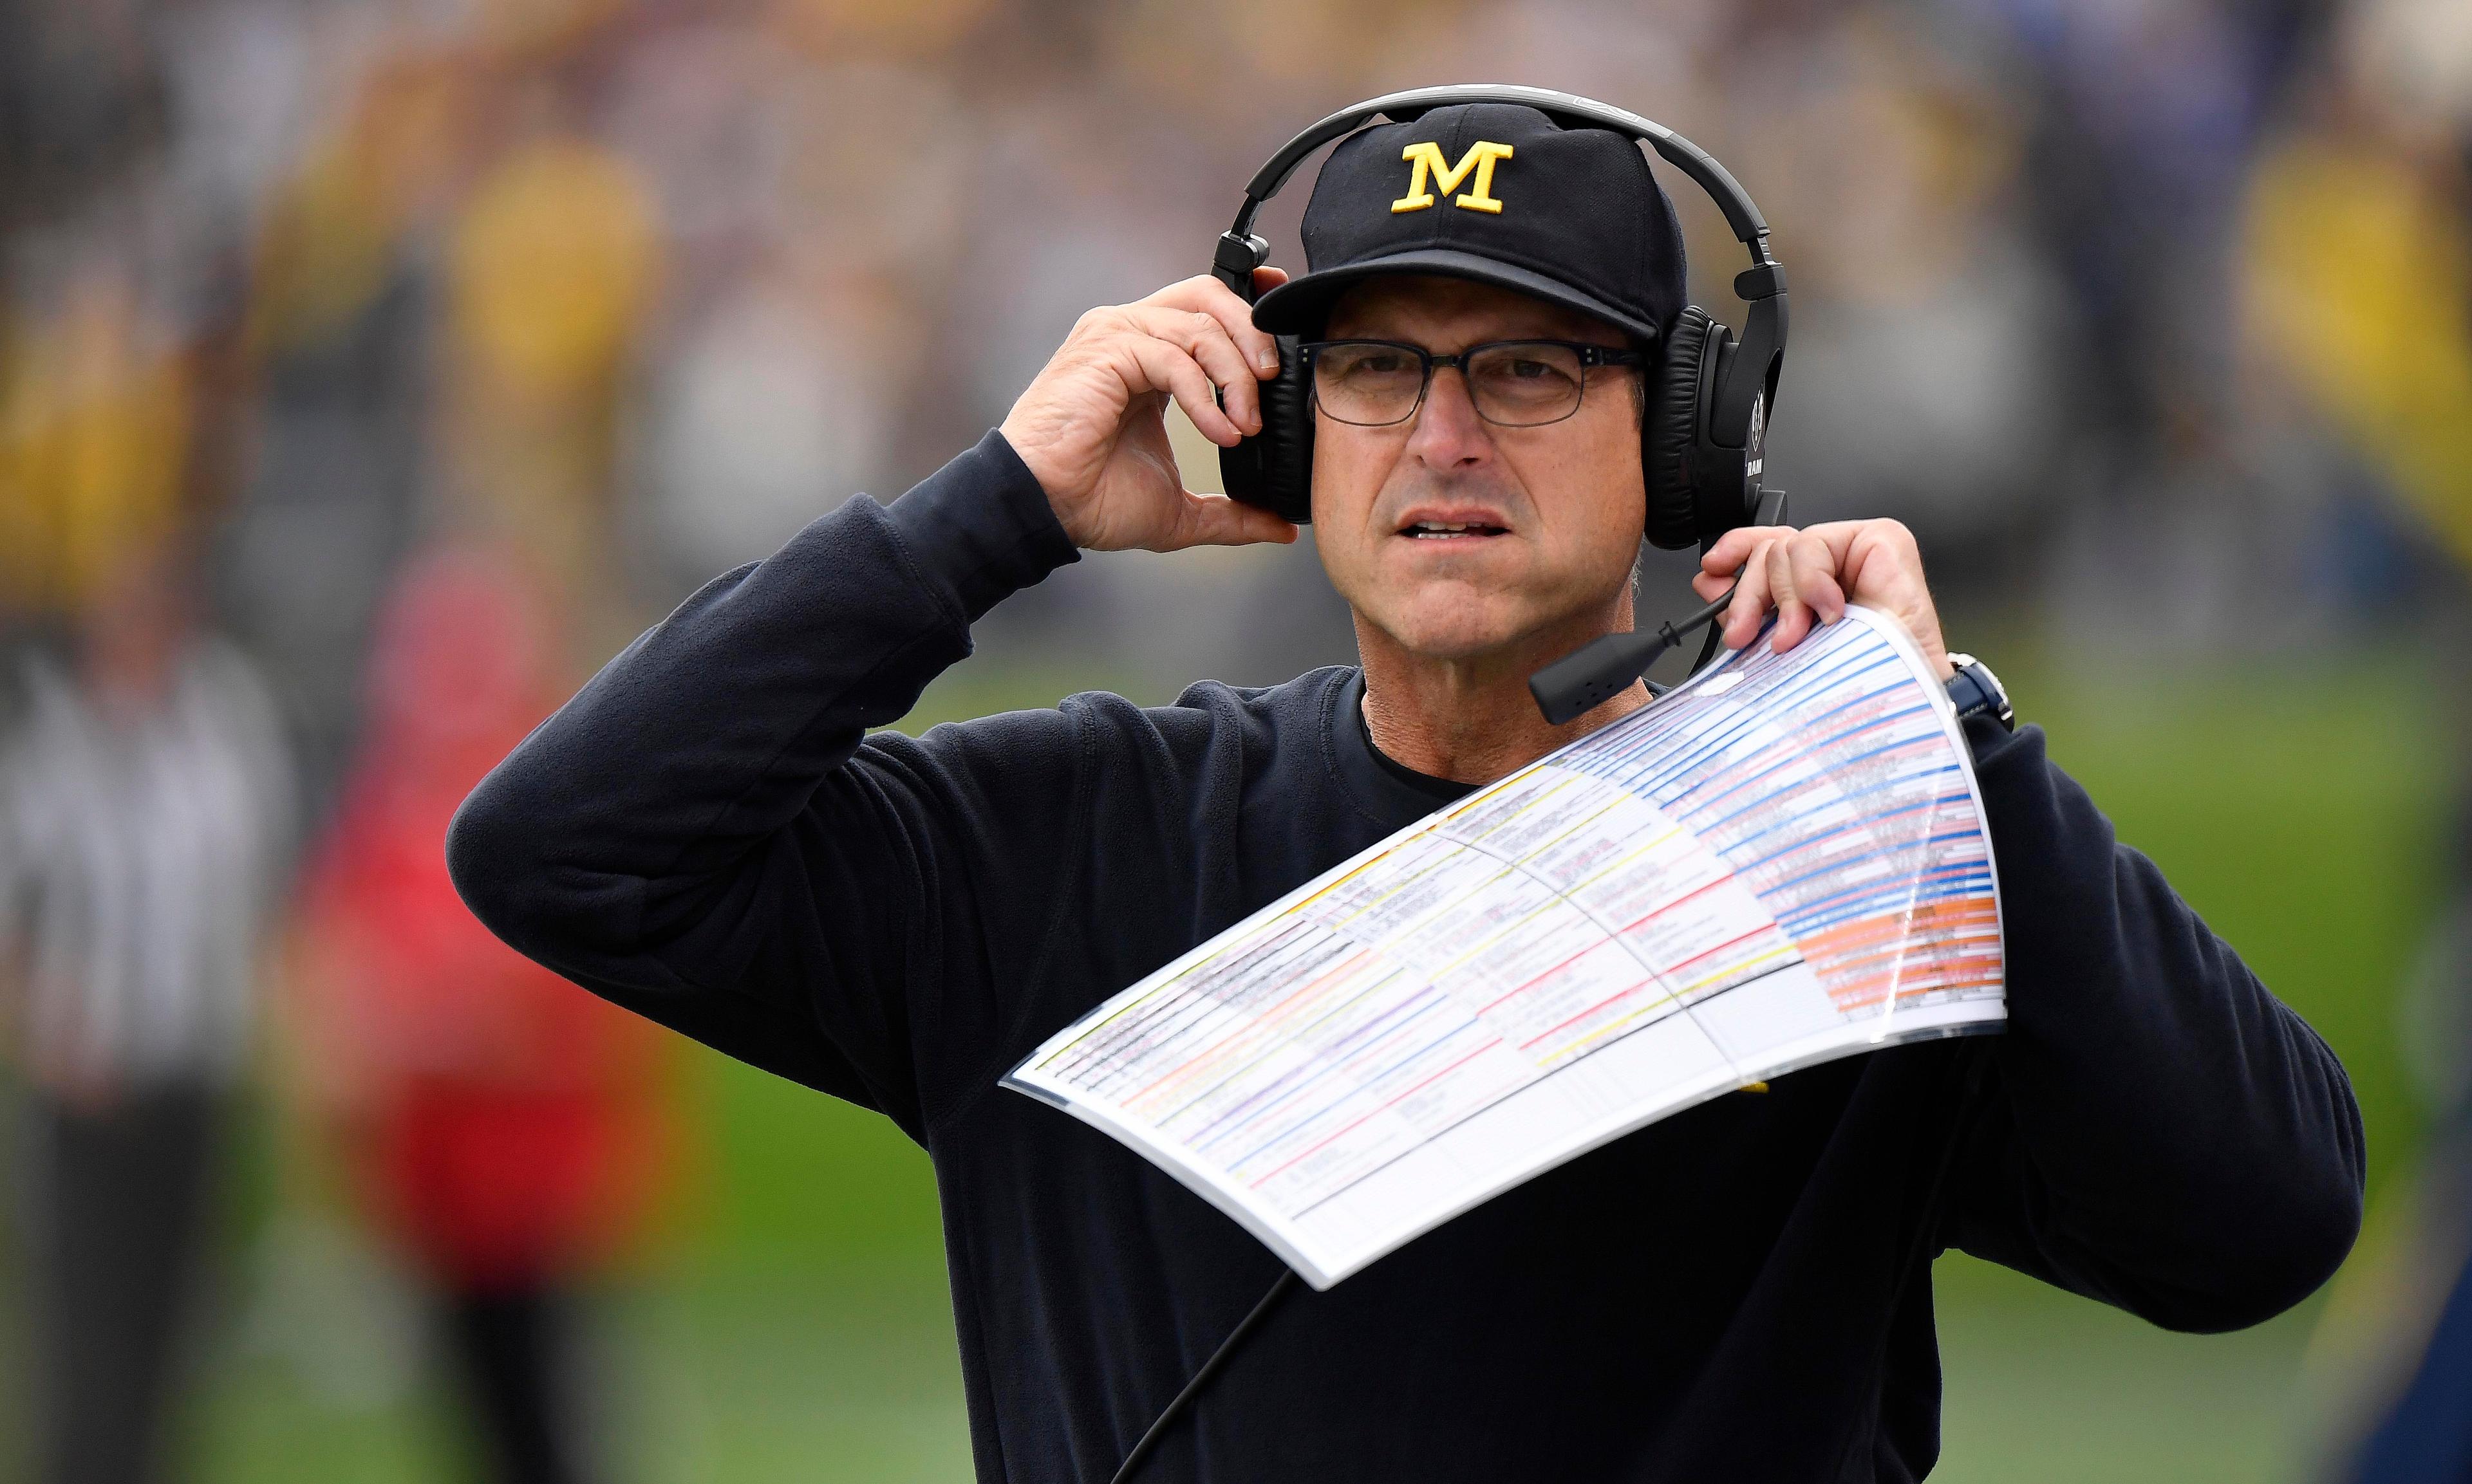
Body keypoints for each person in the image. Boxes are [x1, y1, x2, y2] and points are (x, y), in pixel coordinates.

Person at [447, 102, 2364, 1482]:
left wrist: (1954, 740)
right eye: (1373, 369)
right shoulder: (1071, 842)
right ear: (1287, 426)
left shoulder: (1835, 865)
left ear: (1693, 439)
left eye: (1527, 367)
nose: (1442, 435)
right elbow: (562, 851)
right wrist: (995, 513)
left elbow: (2259, 1227)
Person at [293, 545, 670, 1484]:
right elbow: (330, 965)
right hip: (436, 1191)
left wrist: (424, 1023)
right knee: (476, 1430)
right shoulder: (393, 807)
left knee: (553, 1429)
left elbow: (556, 1015)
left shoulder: (546, 809)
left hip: (538, 1191)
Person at [0, 541, 294, 1484]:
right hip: (93, 1091)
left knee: (182, 1344)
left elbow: (262, 891)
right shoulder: (57, 736)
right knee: (91, 1349)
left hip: (198, 1078)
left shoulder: (223, 721)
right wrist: (47, 1035)